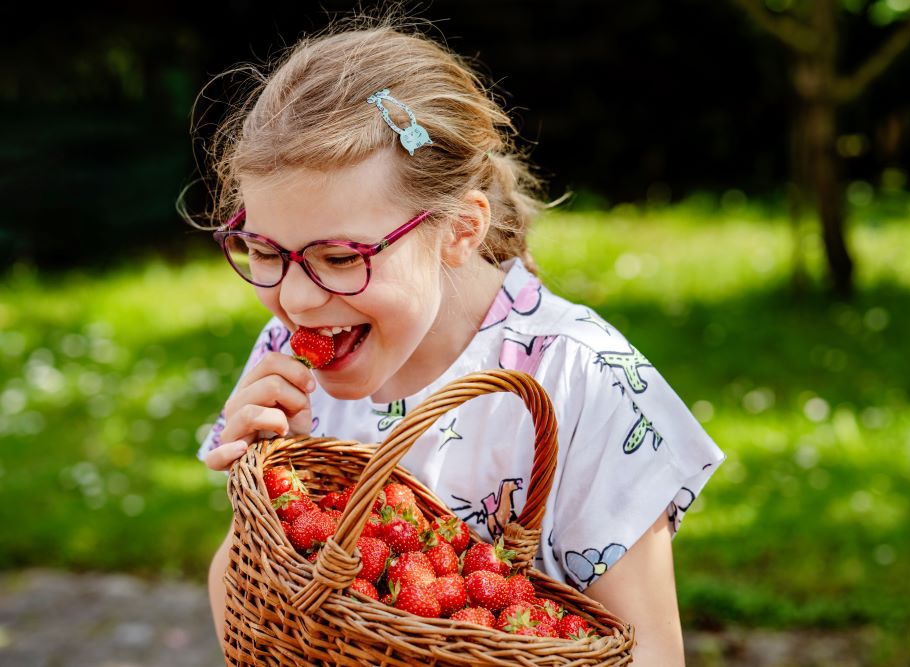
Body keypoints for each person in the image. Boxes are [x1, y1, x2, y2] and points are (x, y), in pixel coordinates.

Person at [187, 17, 724, 666]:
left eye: (337, 256)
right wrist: (266, 497)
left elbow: (653, 655)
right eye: (265, 250)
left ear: (461, 230)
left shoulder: (579, 379)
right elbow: (245, 621)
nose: (297, 299)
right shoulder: (291, 357)